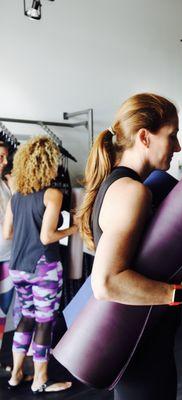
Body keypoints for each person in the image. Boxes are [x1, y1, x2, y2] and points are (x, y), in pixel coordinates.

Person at [76, 93, 182, 400]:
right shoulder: (131, 191)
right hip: (140, 352)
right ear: (145, 137)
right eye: (172, 135)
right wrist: (177, 293)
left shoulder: (121, 185)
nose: (178, 147)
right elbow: (106, 282)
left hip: (142, 345)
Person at [3, 136, 78, 393]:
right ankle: (40, 380)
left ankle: (16, 375)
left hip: (18, 266)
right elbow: (47, 237)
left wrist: (28, 229)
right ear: (48, 163)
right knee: (45, 322)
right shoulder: (52, 194)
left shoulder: (16, 196)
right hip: (43, 268)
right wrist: (73, 229)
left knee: (26, 318)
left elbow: (7, 233)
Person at [0, 143, 14, 377]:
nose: (5, 162)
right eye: (0, 157)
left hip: (9, 256)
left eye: (5, 157)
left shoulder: (5, 184)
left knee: (2, 314)